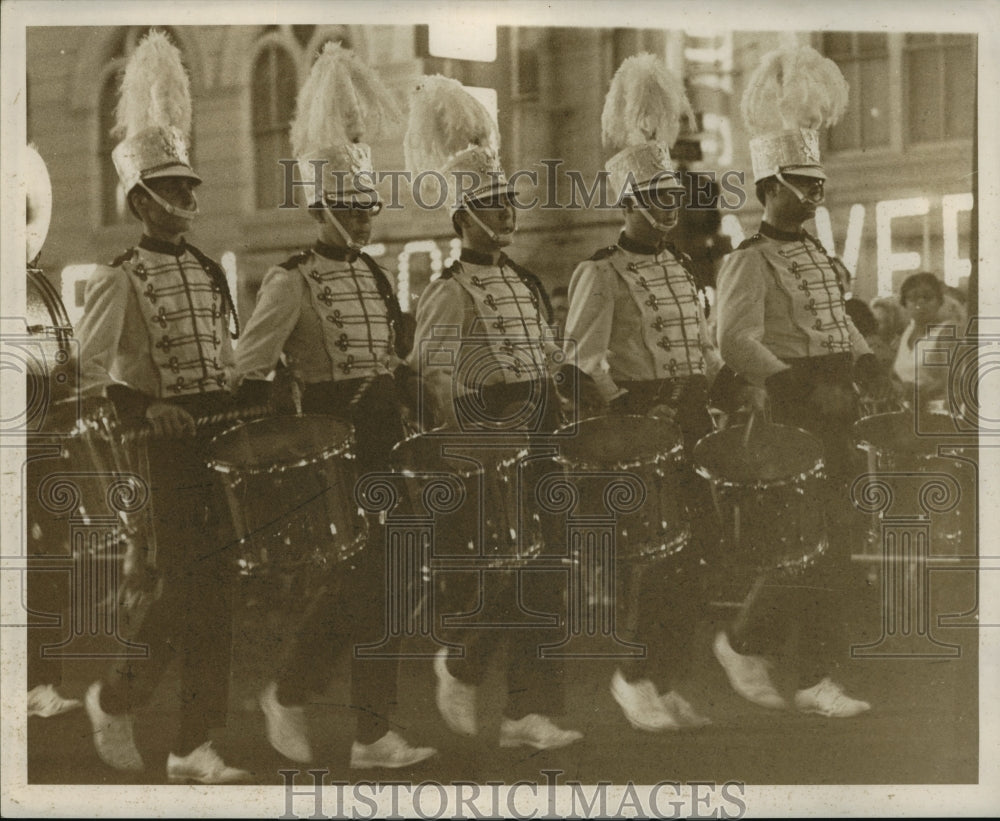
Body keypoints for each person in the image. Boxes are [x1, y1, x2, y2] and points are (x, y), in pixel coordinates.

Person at [235, 44, 435, 770]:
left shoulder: (380, 279)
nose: (363, 218)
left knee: (392, 579)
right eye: (349, 207)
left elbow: (394, 360)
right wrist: (278, 447)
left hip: (387, 439)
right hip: (332, 445)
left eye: (367, 206)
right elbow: (250, 371)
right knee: (358, 579)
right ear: (320, 207)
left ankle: (372, 731)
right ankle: (289, 690)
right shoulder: (290, 281)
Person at [76, 31, 249, 782]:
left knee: (223, 589)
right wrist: (145, 412)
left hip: (221, 438)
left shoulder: (212, 271)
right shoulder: (118, 278)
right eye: (175, 190)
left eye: (191, 187)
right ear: (141, 198)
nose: (190, 198)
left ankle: (191, 745)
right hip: (164, 444)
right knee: (186, 587)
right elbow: (87, 376)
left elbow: (226, 355)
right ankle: (116, 697)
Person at [405, 75, 582, 751]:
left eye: (508, 204)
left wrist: (561, 398)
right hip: (488, 437)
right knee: (516, 568)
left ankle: (524, 713)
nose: (505, 216)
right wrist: (471, 441)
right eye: (490, 206)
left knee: (551, 566)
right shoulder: (448, 290)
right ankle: (464, 659)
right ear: (461, 220)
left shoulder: (528, 281)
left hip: (540, 431)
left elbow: (545, 351)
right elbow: (433, 372)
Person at [713, 44, 880, 719]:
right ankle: (786, 660)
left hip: (834, 400)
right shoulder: (748, 260)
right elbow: (732, 339)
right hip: (795, 405)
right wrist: (797, 390)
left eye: (819, 184)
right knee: (813, 542)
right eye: (804, 185)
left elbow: (840, 323)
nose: (816, 194)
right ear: (771, 187)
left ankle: (763, 646)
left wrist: (867, 364)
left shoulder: (818, 255)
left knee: (831, 541)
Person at [564, 54, 720, 731]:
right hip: (641, 425)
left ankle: (666, 674)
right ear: (628, 203)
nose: (667, 209)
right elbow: (580, 361)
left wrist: (718, 391)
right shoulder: (600, 272)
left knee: (697, 553)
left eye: (672, 198)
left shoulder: (683, 266)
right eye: (655, 199)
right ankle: (632, 676)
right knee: (654, 559)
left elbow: (704, 345)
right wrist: (626, 408)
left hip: (691, 416)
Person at [893, 272, 961, 407]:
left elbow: (954, 381)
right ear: (904, 303)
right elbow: (895, 374)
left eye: (927, 297)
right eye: (913, 298)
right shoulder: (907, 332)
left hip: (938, 412)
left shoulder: (947, 332)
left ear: (939, 301)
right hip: (907, 412)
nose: (920, 303)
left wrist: (919, 391)